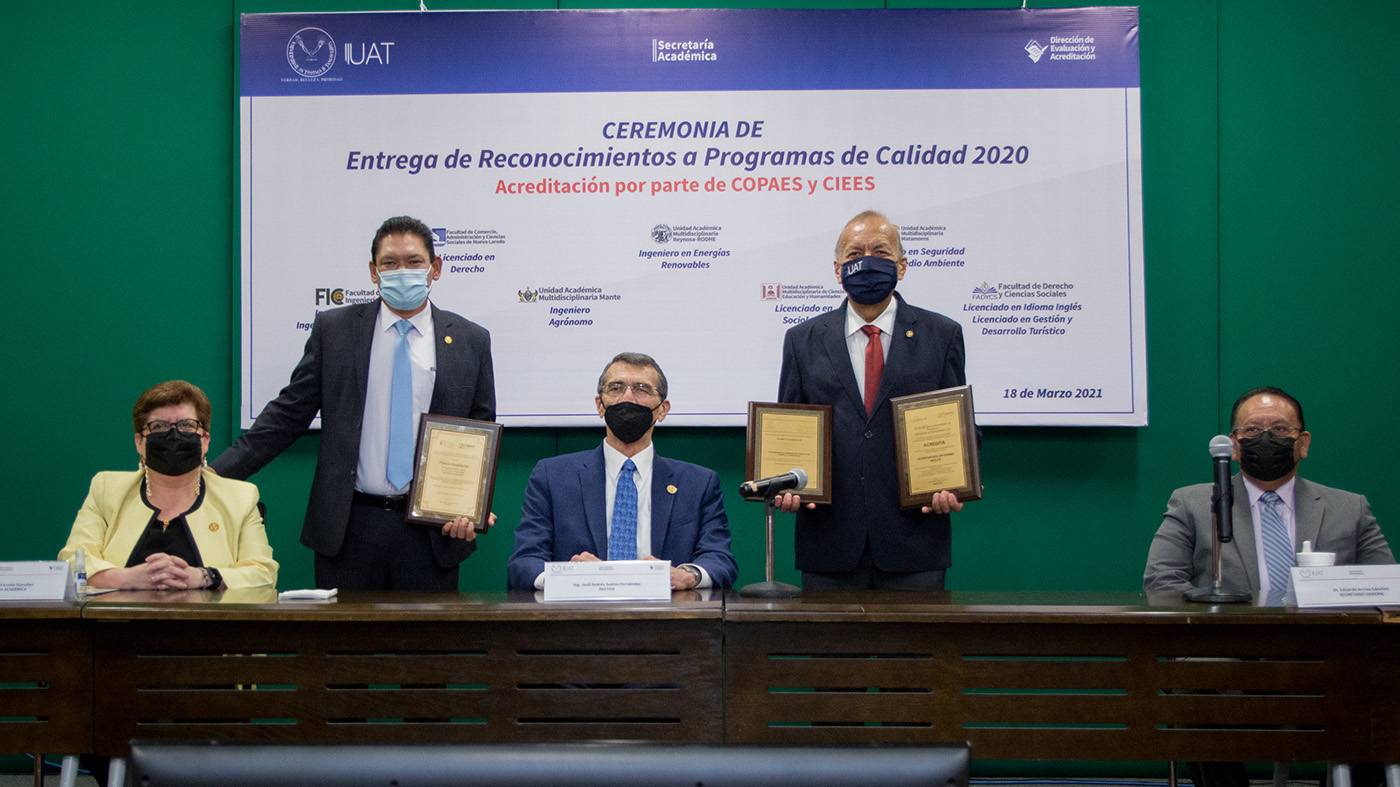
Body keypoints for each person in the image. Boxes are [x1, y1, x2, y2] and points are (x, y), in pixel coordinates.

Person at [212, 215, 494, 591]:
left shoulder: (472, 340)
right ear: (373, 272)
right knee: (344, 632)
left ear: (435, 268)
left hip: (432, 534)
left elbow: (478, 430)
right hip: (349, 527)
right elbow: (288, 414)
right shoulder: (335, 331)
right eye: (389, 263)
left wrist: (471, 505)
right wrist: (213, 477)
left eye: (413, 261)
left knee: (426, 632)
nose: (402, 271)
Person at [775, 210, 968, 590]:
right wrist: (785, 482)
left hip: (914, 542)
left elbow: (958, 427)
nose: (866, 262)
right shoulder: (802, 340)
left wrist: (953, 483)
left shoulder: (942, 335)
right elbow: (788, 430)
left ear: (902, 265)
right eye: (854, 254)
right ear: (837, 270)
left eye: (880, 252)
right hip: (829, 544)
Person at [507, 352, 738, 591]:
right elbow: (525, 562)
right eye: (616, 388)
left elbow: (719, 558)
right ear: (600, 405)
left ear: (662, 409)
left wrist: (688, 575)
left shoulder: (698, 483)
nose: (627, 397)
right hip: (580, 610)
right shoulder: (552, 476)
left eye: (641, 389)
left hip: (667, 610)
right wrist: (572, 578)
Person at [1144, 386, 1394, 600]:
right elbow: (1162, 584)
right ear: (1233, 445)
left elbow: (1387, 587)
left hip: (1323, 640)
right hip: (1226, 640)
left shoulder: (1350, 510)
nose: (1266, 438)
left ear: (1303, 443)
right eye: (1252, 430)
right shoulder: (1192, 505)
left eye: (1280, 429)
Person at [58, 380, 277, 590]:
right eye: (159, 427)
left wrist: (203, 577)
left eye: (187, 426)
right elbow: (73, 561)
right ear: (139, 442)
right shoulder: (106, 489)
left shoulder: (240, 498)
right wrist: (129, 578)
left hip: (208, 617)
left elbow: (263, 574)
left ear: (205, 441)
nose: (173, 435)